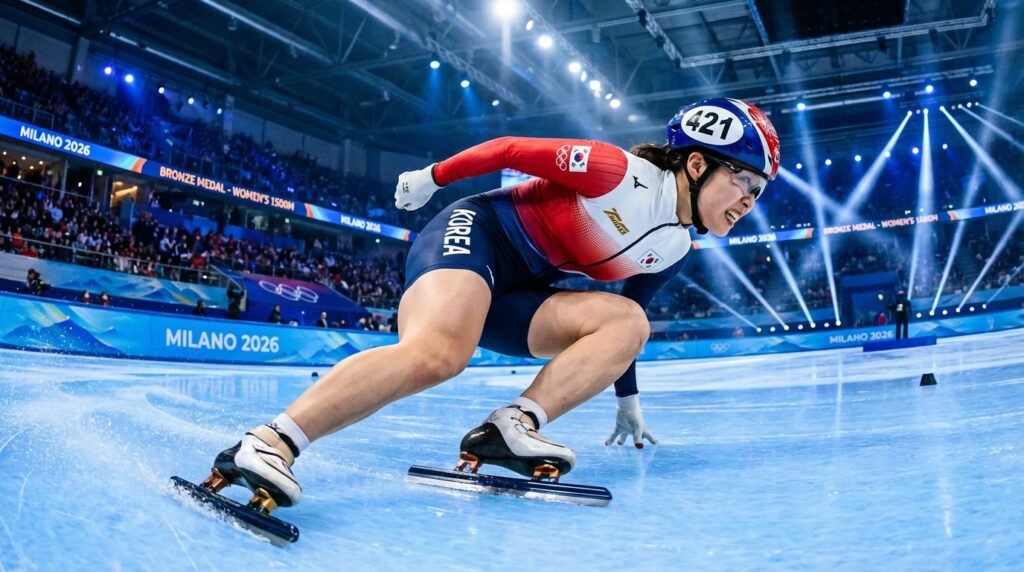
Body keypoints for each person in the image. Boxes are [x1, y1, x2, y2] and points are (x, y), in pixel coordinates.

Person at [207, 98, 780, 510]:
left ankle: (513, 426)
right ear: (699, 163)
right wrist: (432, 177)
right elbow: (510, 149)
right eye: (744, 184)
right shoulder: (614, 173)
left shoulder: (674, 246)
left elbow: (624, 327)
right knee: (438, 354)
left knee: (629, 319)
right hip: (475, 234)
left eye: (758, 194)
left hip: (520, 291)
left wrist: (627, 402)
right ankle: (267, 443)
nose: (748, 202)